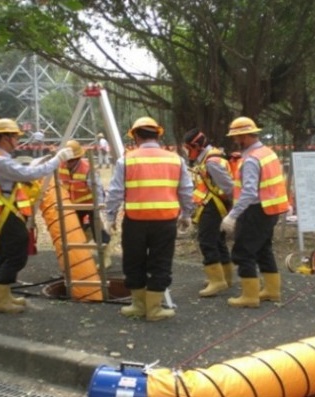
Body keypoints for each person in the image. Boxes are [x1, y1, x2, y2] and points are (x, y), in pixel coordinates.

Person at [0, 118, 74, 314]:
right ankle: (1, 299)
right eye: (15, 137)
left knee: (4, 253)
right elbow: (28, 174)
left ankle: (2, 296)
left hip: (1, 213)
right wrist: (57, 160)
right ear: (5, 138)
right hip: (7, 214)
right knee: (16, 255)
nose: (17, 141)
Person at [104, 117, 194, 321]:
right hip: (165, 222)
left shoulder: (126, 160)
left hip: (135, 221)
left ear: (135, 136)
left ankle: (138, 305)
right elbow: (186, 190)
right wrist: (186, 214)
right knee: (160, 262)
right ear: (158, 135)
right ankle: (154, 309)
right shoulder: (175, 159)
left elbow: (116, 192)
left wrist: (110, 217)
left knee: (133, 262)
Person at [220, 117, 289, 308]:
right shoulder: (268, 153)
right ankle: (272, 291)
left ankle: (250, 296)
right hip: (270, 210)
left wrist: (233, 215)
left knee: (243, 252)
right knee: (263, 250)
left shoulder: (251, 159)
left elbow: (249, 192)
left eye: (237, 137)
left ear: (244, 136)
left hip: (255, 211)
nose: (235, 141)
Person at [182, 128, 234, 297]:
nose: (188, 153)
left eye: (189, 149)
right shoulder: (208, 157)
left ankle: (217, 281)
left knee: (207, 241)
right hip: (210, 205)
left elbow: (229, 188)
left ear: (196, 145)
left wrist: (232, 211)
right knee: (218, 241)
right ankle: (225, 277)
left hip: (213, 207)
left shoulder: (211, 161)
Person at [58, 140, 113, 268]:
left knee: (98, 230)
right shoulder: (60, 167)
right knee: (73, 230)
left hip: (90, 204)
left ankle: (105, 257)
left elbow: (98, 190)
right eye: (67, 159)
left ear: (78, 158)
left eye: (71, 160)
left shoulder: (88, 169)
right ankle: (77, 256)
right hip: (72, 206)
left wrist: (99, 209)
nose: (68, 163)